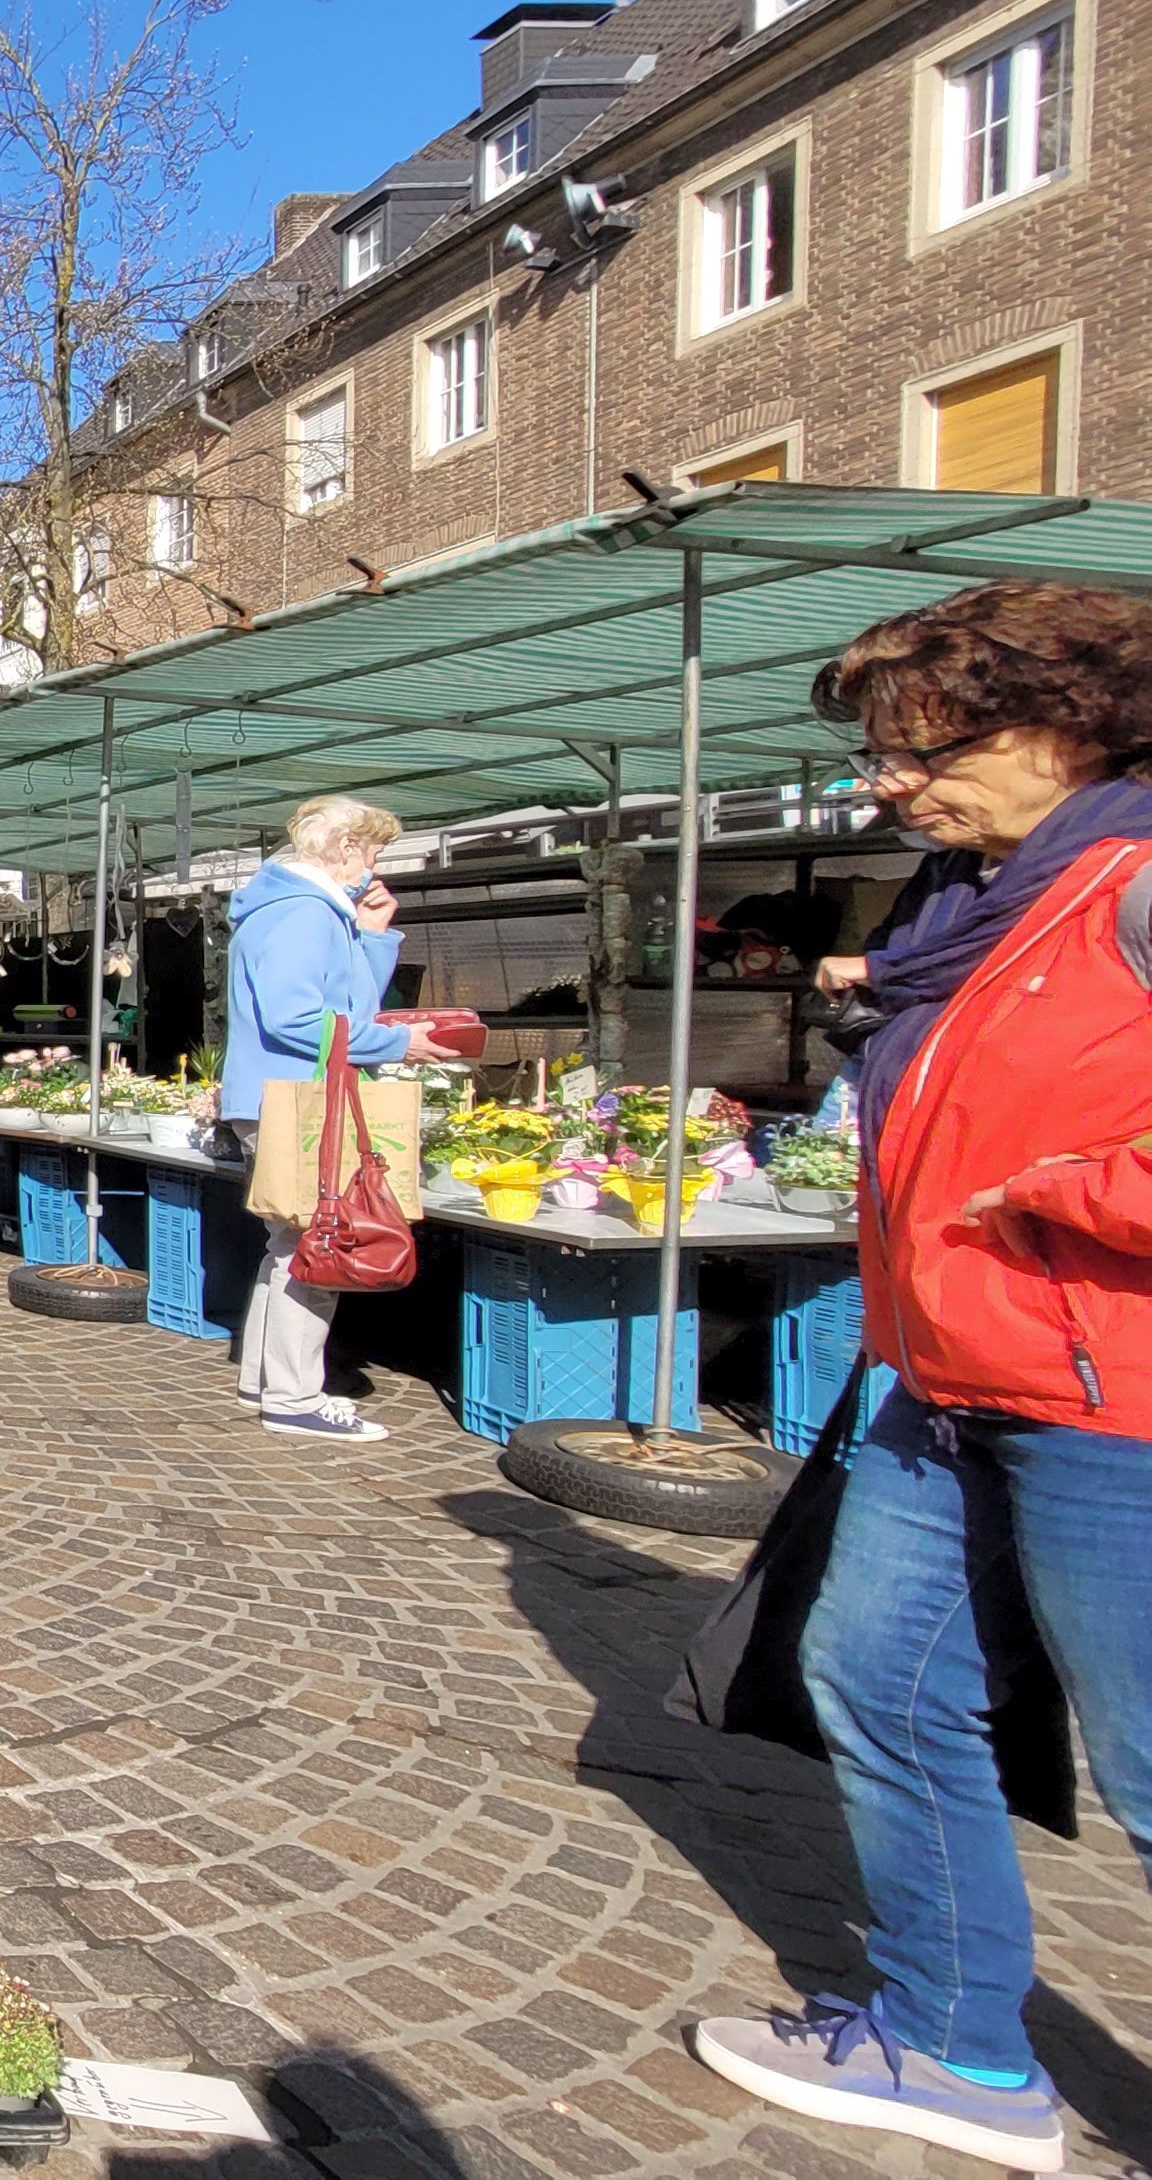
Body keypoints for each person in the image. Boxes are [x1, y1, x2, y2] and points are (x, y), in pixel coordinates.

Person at [686, 582, 1152, 2176]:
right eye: (883, 752)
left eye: (924, 747)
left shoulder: (1135, 885)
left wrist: (1055, 1196)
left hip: (1116, 1396)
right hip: (948, 1373)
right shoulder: (977, 907)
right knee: (876, 1682)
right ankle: (955, 2045)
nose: (887, 783)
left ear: (1070, 727)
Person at [218, 796, 418, 1445]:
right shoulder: (302, 914)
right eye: (373, 850)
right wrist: (399, 1045)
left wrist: (373, 934)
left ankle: (266, 1381)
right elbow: (297, 1018)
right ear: (345, 849)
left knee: (292, 1241)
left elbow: (344, 999)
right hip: (296, 1098)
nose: (375, 864)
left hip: (279, 1096)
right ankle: (294, 1397)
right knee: (318, 1242)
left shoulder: (299, 909)